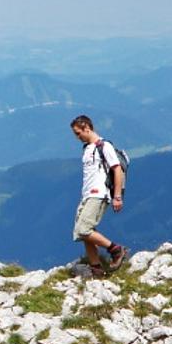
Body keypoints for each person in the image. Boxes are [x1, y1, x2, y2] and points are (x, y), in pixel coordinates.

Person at [69, 115, 127, 278]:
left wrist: (117, 196)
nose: (77, 137)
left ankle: (116, 250)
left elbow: (117, 170)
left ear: (87, 128)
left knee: (84, 229)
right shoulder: (87, 148)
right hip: (87, 195)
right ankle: (96, 268)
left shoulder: (104, 146)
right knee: (82, 233)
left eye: (78, 133)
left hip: (99, 194)